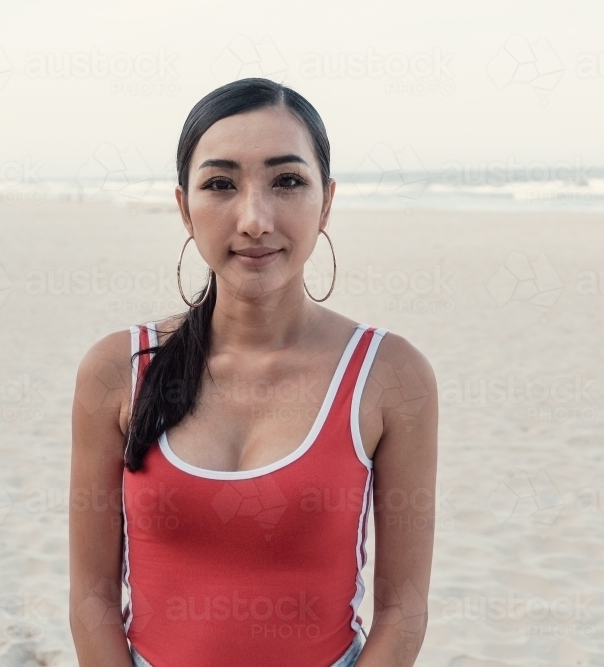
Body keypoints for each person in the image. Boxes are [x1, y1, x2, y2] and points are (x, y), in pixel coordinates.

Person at [70, 77, 438, 667]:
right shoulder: (120, 369)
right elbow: (92, 599)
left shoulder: (389, 375)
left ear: (328, 201)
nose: (254, 219)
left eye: (287, 181)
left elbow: (403, 610)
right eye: (220, 184)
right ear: (185, 207)